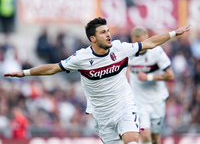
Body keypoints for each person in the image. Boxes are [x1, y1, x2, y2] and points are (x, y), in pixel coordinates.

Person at [4, 17, 190, 144]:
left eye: (108, 31)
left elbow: (149, 43)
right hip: (102, 116)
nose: (108, 34)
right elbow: (53, 68)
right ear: (93, 38)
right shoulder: (81, 58)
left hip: (125, 106)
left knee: (132, 140)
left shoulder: (120, 49)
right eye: (103, 32)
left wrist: (174, 33)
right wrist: (25, 73)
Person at [126, 26, 174, 144]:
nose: (140, 45)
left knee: (155, 138)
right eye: (137, 42)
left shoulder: (157, 52)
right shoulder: (128, 53)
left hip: (157, 99)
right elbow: (125, 73)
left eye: (142, 42)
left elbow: (170, 76)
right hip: (139, 101)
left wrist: (149, 77)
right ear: (132, 39)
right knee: (146, 136)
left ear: (147, 38)